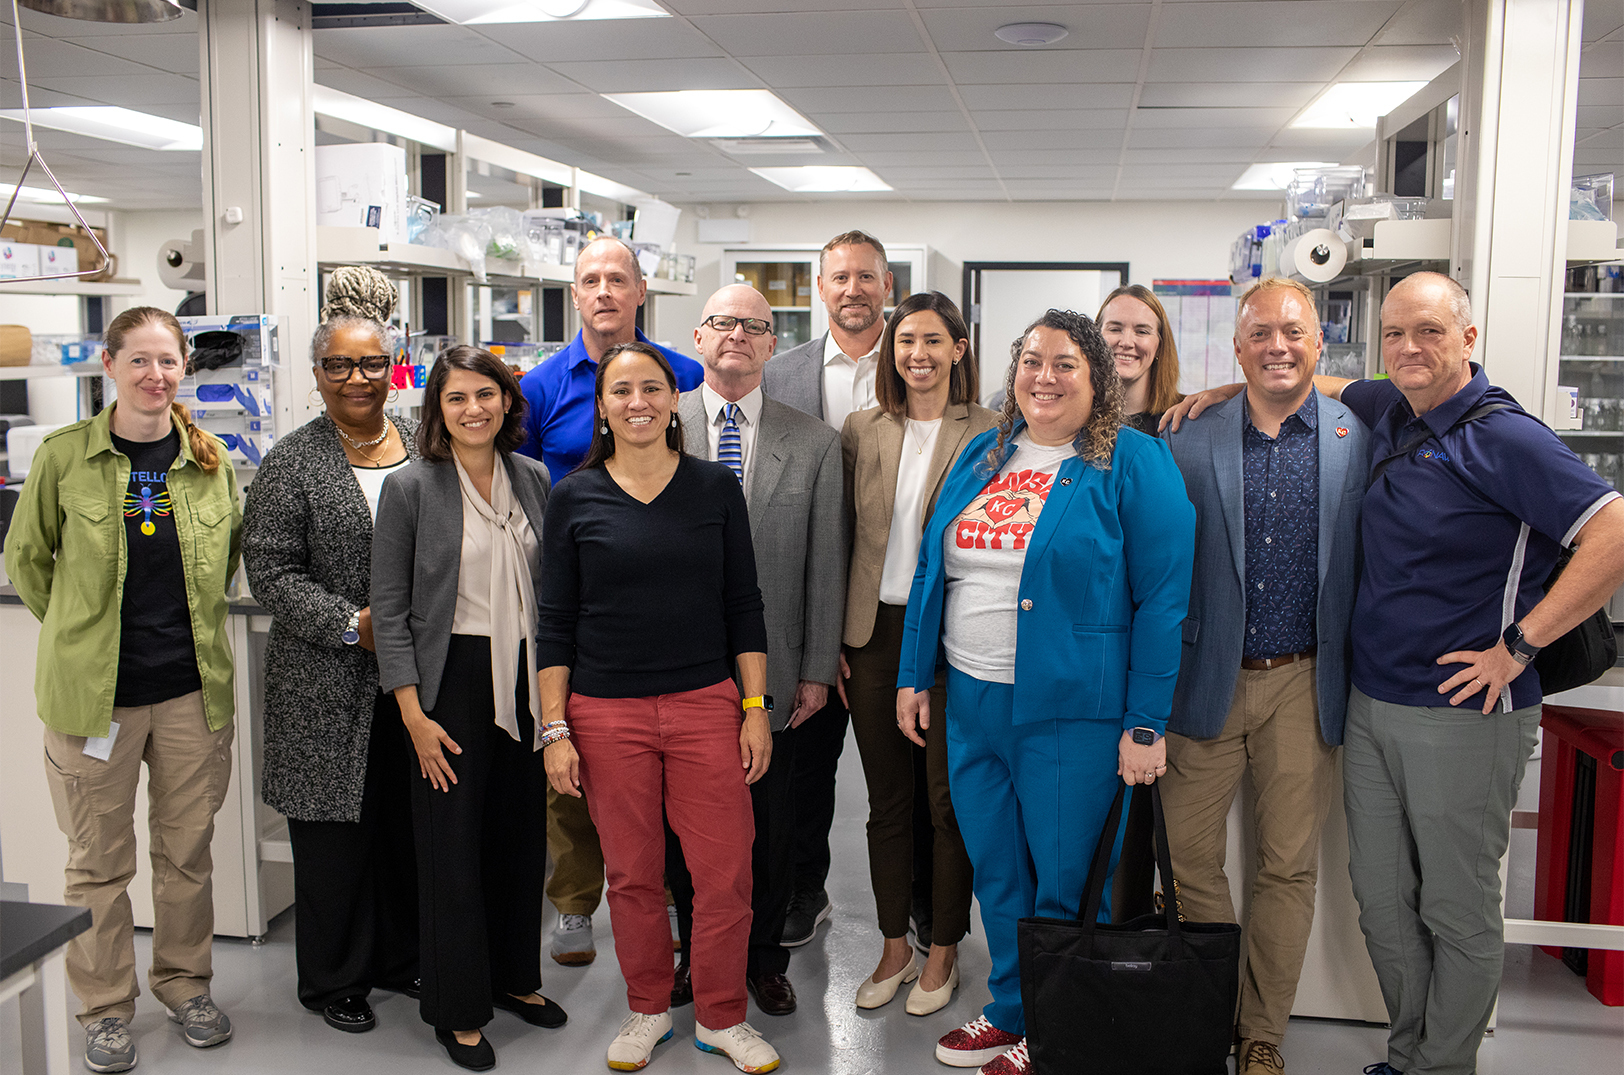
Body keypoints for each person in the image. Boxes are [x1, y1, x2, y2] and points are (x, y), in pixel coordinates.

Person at [1168, 271, 1624, 1075]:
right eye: (1397, 335)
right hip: (1371, 700)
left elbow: (1613, 531)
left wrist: (1520, 644)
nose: (1412, 348)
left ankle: (1433, 1064)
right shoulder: (1391, 412)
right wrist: (1223, 387)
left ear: (1469, 340)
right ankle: (1408, 1053)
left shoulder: (1500, 435)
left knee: (1453, 904)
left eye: (1432, 332)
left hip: (1460, 708)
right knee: (1382, 901)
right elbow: (1304, 373)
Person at [897, 309, 1195, 1075]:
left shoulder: (1133, 460)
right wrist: (912, 673)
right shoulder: (983, 452)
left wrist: (1145, 722)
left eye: (1065, 363)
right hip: (972, 700)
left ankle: (1059, 1028)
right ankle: (1009, 1009)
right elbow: (934, 567)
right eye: (1032, 360)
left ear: (1097, 377)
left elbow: (1163, 599)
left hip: (1074, 710)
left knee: (1065, 878)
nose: (1044, 376)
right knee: (998, 868)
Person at [5, 306, 242, 1074]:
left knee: (187, 854)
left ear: (184, 369)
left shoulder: (210, 460)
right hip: (92, 703)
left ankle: (185, 982)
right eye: (138, 361)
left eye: (168, 362)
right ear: (109, 365)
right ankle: (105, 1008)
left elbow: (229, 555)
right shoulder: (64, 457)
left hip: (188, 693)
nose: (155, 376)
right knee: (97, 863)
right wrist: (81, 636)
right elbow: (28, 557)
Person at [535, 341, 781, 1074]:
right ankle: (648, 1009)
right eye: (621, 391)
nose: (637, 401)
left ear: (676, 399)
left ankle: (721, 1016)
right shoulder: (574, 496)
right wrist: (556, 728)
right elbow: (555, 622)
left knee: (725, 871)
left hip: (708, 703)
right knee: (634, 875)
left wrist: (756, 705)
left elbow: (744, 603)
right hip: (607, 712)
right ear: (602, 407)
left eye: (651, 388)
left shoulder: (713, 488)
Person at [1159, 277, 1368, 1075]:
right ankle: (1214, 1011)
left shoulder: (1358, 432)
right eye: (1261, 334)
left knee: (1287, 866)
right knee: (1186, 859)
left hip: (1303, 682)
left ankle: (1262, 1036)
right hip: (1202, 676)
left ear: (1319, 342)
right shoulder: (1191, 433)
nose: (1278, 345)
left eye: (1294, 331)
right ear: (1237, 347)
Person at [371, 346, 562, 1072]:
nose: (474, 408)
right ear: (437, 411)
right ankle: (457, 1008)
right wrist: (413, 716)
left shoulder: (533, 478)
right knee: (450, 849)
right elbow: (389, 611)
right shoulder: (413, 488)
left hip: (523, 676)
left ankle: (516, 977)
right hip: (447, 683)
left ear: (508, 402)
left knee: (518, 836)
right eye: (457, 399)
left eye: (487, 394)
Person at [241, 267, 419, 1035]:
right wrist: (354, 622)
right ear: (318, 373)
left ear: (393, 368)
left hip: (416, 679)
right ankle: (335, 978)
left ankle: (397, 956)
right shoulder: (293, 460)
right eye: (340, 365)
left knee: (403, 825)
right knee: (333, 839)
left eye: (372, 363)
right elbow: (271, 571)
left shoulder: (423, 445)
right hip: (324, 680)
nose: (357, 378)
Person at [517, 235, 703, 966]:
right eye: (590, 279)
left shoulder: (681, 373)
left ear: (640, 292)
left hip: (666, 588)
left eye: (617, 279)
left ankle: (657, 888)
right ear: (575, 292)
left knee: (657, 749)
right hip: (576, 587)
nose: (604, 291)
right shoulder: (539, 387)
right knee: (572, 744)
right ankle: (572, 900)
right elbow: (526, 487)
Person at [666, 284, 845, 1019]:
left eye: (755, 326)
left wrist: (813, 669)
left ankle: (765, 958)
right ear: (698, 337)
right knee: (683, 830)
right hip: (676, 669)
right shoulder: (656, 424)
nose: (737, 334)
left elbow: (826, 565)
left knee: (771, 825)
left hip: (772, 671)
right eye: (723, 323)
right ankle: (693, 952)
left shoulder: (814, 441)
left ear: (775, 345)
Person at [840, 290, 994, 1016]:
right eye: (906, 342)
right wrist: (833, 643)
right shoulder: (862, 428)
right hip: (875, 634)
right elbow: (842, 541)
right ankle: (894, 944)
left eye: (933, 341)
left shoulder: (994, 433)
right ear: (890, 351)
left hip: (952, 637)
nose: (919, 355)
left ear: (958, 350)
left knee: (946, 799)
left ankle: (943, 950)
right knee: (886, 800)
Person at [762, 228, 893, 945]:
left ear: (887, 287)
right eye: (839, 277)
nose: (852, 289)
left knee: (901, 774)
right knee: (805, 766)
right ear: (820, 288)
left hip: (891, 602)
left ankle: (914, 912)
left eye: (866, 277)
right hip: (803, 601)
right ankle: (804, 889)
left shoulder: (917, 363)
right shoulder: (780, 374)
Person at [1096, 284, 1183, 435]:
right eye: (1115, 329)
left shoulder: (1184, 416)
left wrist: (1225, 392)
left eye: (1142, 331)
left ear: (1159, 345)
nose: (1126, 342)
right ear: (1095, 337)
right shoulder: (1074, 418)